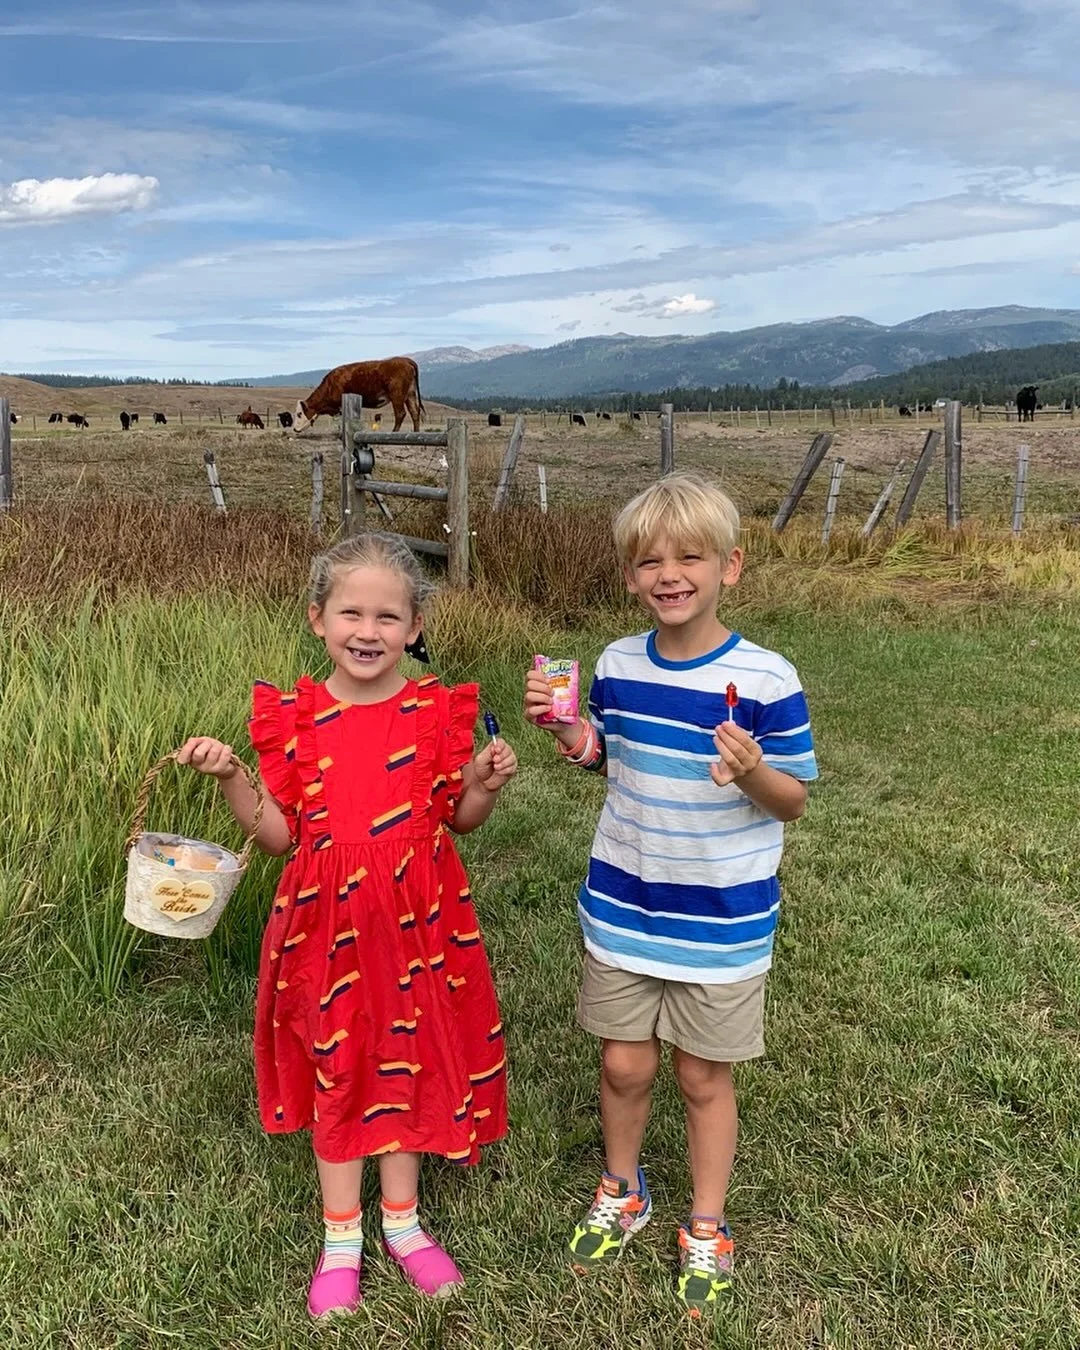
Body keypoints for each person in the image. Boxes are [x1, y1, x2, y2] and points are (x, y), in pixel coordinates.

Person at [179, 532, 517, 1318]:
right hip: (323, 927)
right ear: (317, 618)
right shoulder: (295, 719)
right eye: (351, 613)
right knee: (340, 1062)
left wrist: (482, 785)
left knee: (403, 1059)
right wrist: (234, 777)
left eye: (388, 616)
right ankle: (342, 1234)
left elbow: (459, 821)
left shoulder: (436, 711)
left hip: (419, 924)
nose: (369, 631)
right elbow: (277, 835)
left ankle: (404, 1223)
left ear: (414, 625)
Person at [524, 474, 816, 1316]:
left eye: (690, 556)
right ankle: (624, 1188)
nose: (669, 573)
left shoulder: (765, 678)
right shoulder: (615, 662)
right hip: (625, 904)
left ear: (731, 566)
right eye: (649, 560)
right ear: (628, 575)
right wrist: (569, 731)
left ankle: (707, 1222)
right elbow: (607, 753)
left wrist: (754, 772)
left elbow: (795, 796)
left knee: (701, 1078)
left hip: (721, 922)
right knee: (622, 1062)